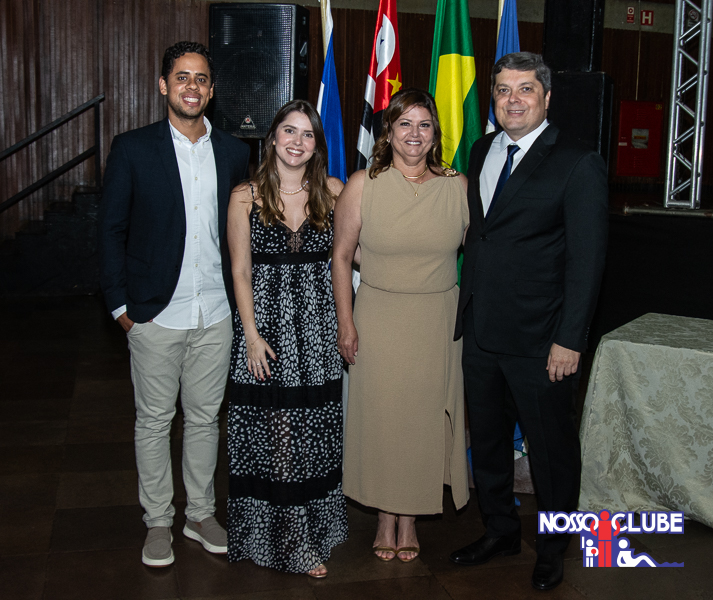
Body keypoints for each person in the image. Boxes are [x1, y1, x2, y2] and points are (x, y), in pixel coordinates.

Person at [450, 52, 608, 591]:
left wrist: (570, 340)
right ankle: (498, 530)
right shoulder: (481, 150)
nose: (512, 100)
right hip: (480, 331)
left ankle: (554, 548)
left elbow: (587, 262)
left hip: (543, 341)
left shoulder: (577, 162)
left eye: (524, 90)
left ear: (546, 97)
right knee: (488, 443)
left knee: (551, 451)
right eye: (502, 90)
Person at [98, 41, 250, 567]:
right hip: (154, 313)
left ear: (212, 89)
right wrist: (120, 309)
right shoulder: (133, 148)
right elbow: (110, 231)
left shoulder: (233, 152)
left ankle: (200, 514)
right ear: (164, 85)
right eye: (182, 77)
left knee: (205, 420)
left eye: (201, 78)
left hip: (216, 313)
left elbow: (243, 232)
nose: (192, 87)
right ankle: (159, 521)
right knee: (154, 421)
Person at [333, 88, 470, 563]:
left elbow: (481, 254)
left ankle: (409, 518)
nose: (414, 133)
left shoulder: (457, 186)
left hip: (437, 322)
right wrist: (346, 323)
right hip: (378, 317)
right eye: (404, 123)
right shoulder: (362, 185)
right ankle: (384, 516)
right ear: (388, 132)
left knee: (423, 422)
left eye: (424, 124)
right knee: (383, 420)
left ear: (435, 134)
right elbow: (341, 256)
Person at [226, 100, 347, 578]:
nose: (297, 142)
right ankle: (291, 539)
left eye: (308, 134)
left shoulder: (334, 191)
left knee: (314, 433)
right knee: (277, 432)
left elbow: (356, 254)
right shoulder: (245, 196)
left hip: (318, 332)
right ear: (273, 137)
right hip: (268, 332)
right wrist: (251, 336)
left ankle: (315, 530)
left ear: (317, 145)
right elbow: (240, 271)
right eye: (289, 131)